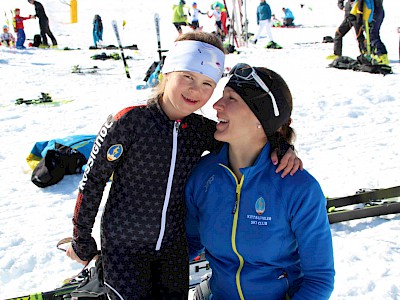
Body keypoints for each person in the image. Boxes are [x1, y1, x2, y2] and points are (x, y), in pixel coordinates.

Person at [65, 32, 302, 299]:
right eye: (188, 77)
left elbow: (247, 140)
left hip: (173, 250)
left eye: (207, 83)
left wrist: (282, 146)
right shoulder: (129, 122)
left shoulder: (201, 131)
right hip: (124, 248)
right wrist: (81, 237)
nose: (195, 90)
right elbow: (92, 181)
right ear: (168, 72)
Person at [185, 64, 335, 299]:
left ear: (260, 118)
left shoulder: (298, 188)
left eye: (231, 98)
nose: (216, 105)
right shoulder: (203, 175)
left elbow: (319, 279)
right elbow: (190, 242)